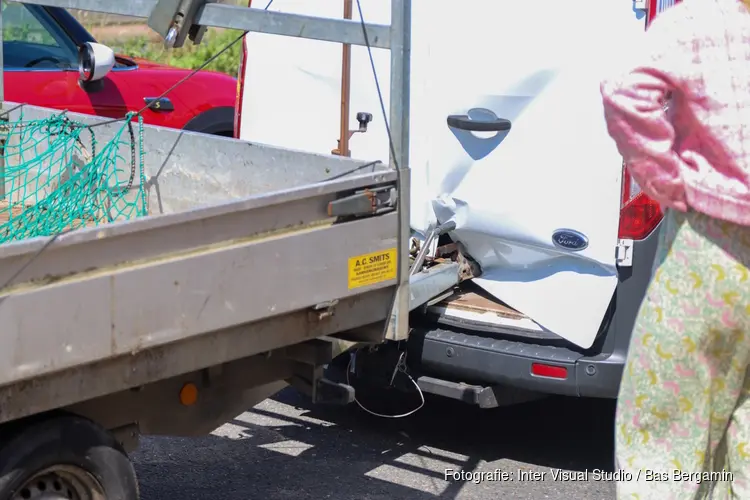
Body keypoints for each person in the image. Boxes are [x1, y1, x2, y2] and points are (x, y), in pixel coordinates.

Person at [600, 0, 750, 498]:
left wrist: (667, 181)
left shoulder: (703, 19)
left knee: (665, 427)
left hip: (710, 245)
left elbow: (626, 91)